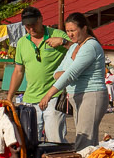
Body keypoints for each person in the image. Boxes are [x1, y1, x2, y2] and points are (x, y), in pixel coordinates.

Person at [41, 14, 108, 146]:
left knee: (84, 140)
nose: (70, 35)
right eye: (68, 31)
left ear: (84, 29)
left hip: (91, 95)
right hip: (76, 96)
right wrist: (70, 73)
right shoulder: (73, 47)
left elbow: (70, 74)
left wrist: (49, 94)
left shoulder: (90, 46)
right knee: (86, 139)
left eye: (73, 30)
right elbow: (57, 73)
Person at [4, 6, 68, 142]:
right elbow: (18, 71)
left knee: (55, 140)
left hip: (53, 97)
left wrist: (64, 42)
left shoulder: (57, 35)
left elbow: (80, 48)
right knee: (29, 142)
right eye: (27, 26)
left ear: (41, 20)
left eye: (33, 24)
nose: (31, 29)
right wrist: (9, 97)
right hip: (30, 99)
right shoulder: (22, 43)